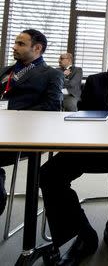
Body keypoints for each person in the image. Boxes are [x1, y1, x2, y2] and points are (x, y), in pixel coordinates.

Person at [39, 37, 108, 265]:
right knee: (48, 173)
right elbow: (83, 112)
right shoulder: (94, 80)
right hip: (91, 145)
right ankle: (83, 234)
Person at [0, 29, 63, 216]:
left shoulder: (51, 74)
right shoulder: (5, 71)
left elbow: (52, 107)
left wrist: (12, 115)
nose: (14, 47)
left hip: (23, 134)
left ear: (37, 48)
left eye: (21, 44)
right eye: (15, 43)